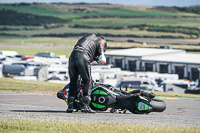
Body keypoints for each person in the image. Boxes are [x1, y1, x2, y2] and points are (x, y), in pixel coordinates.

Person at [67, 33, 107, 113]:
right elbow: (103, 60)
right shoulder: (99, 41)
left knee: (73, 82)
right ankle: (85, 106)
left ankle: (70, 106)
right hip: (83, 57)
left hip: (72, 58)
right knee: (87, 81)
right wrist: (100, 55)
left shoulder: (84, 38)